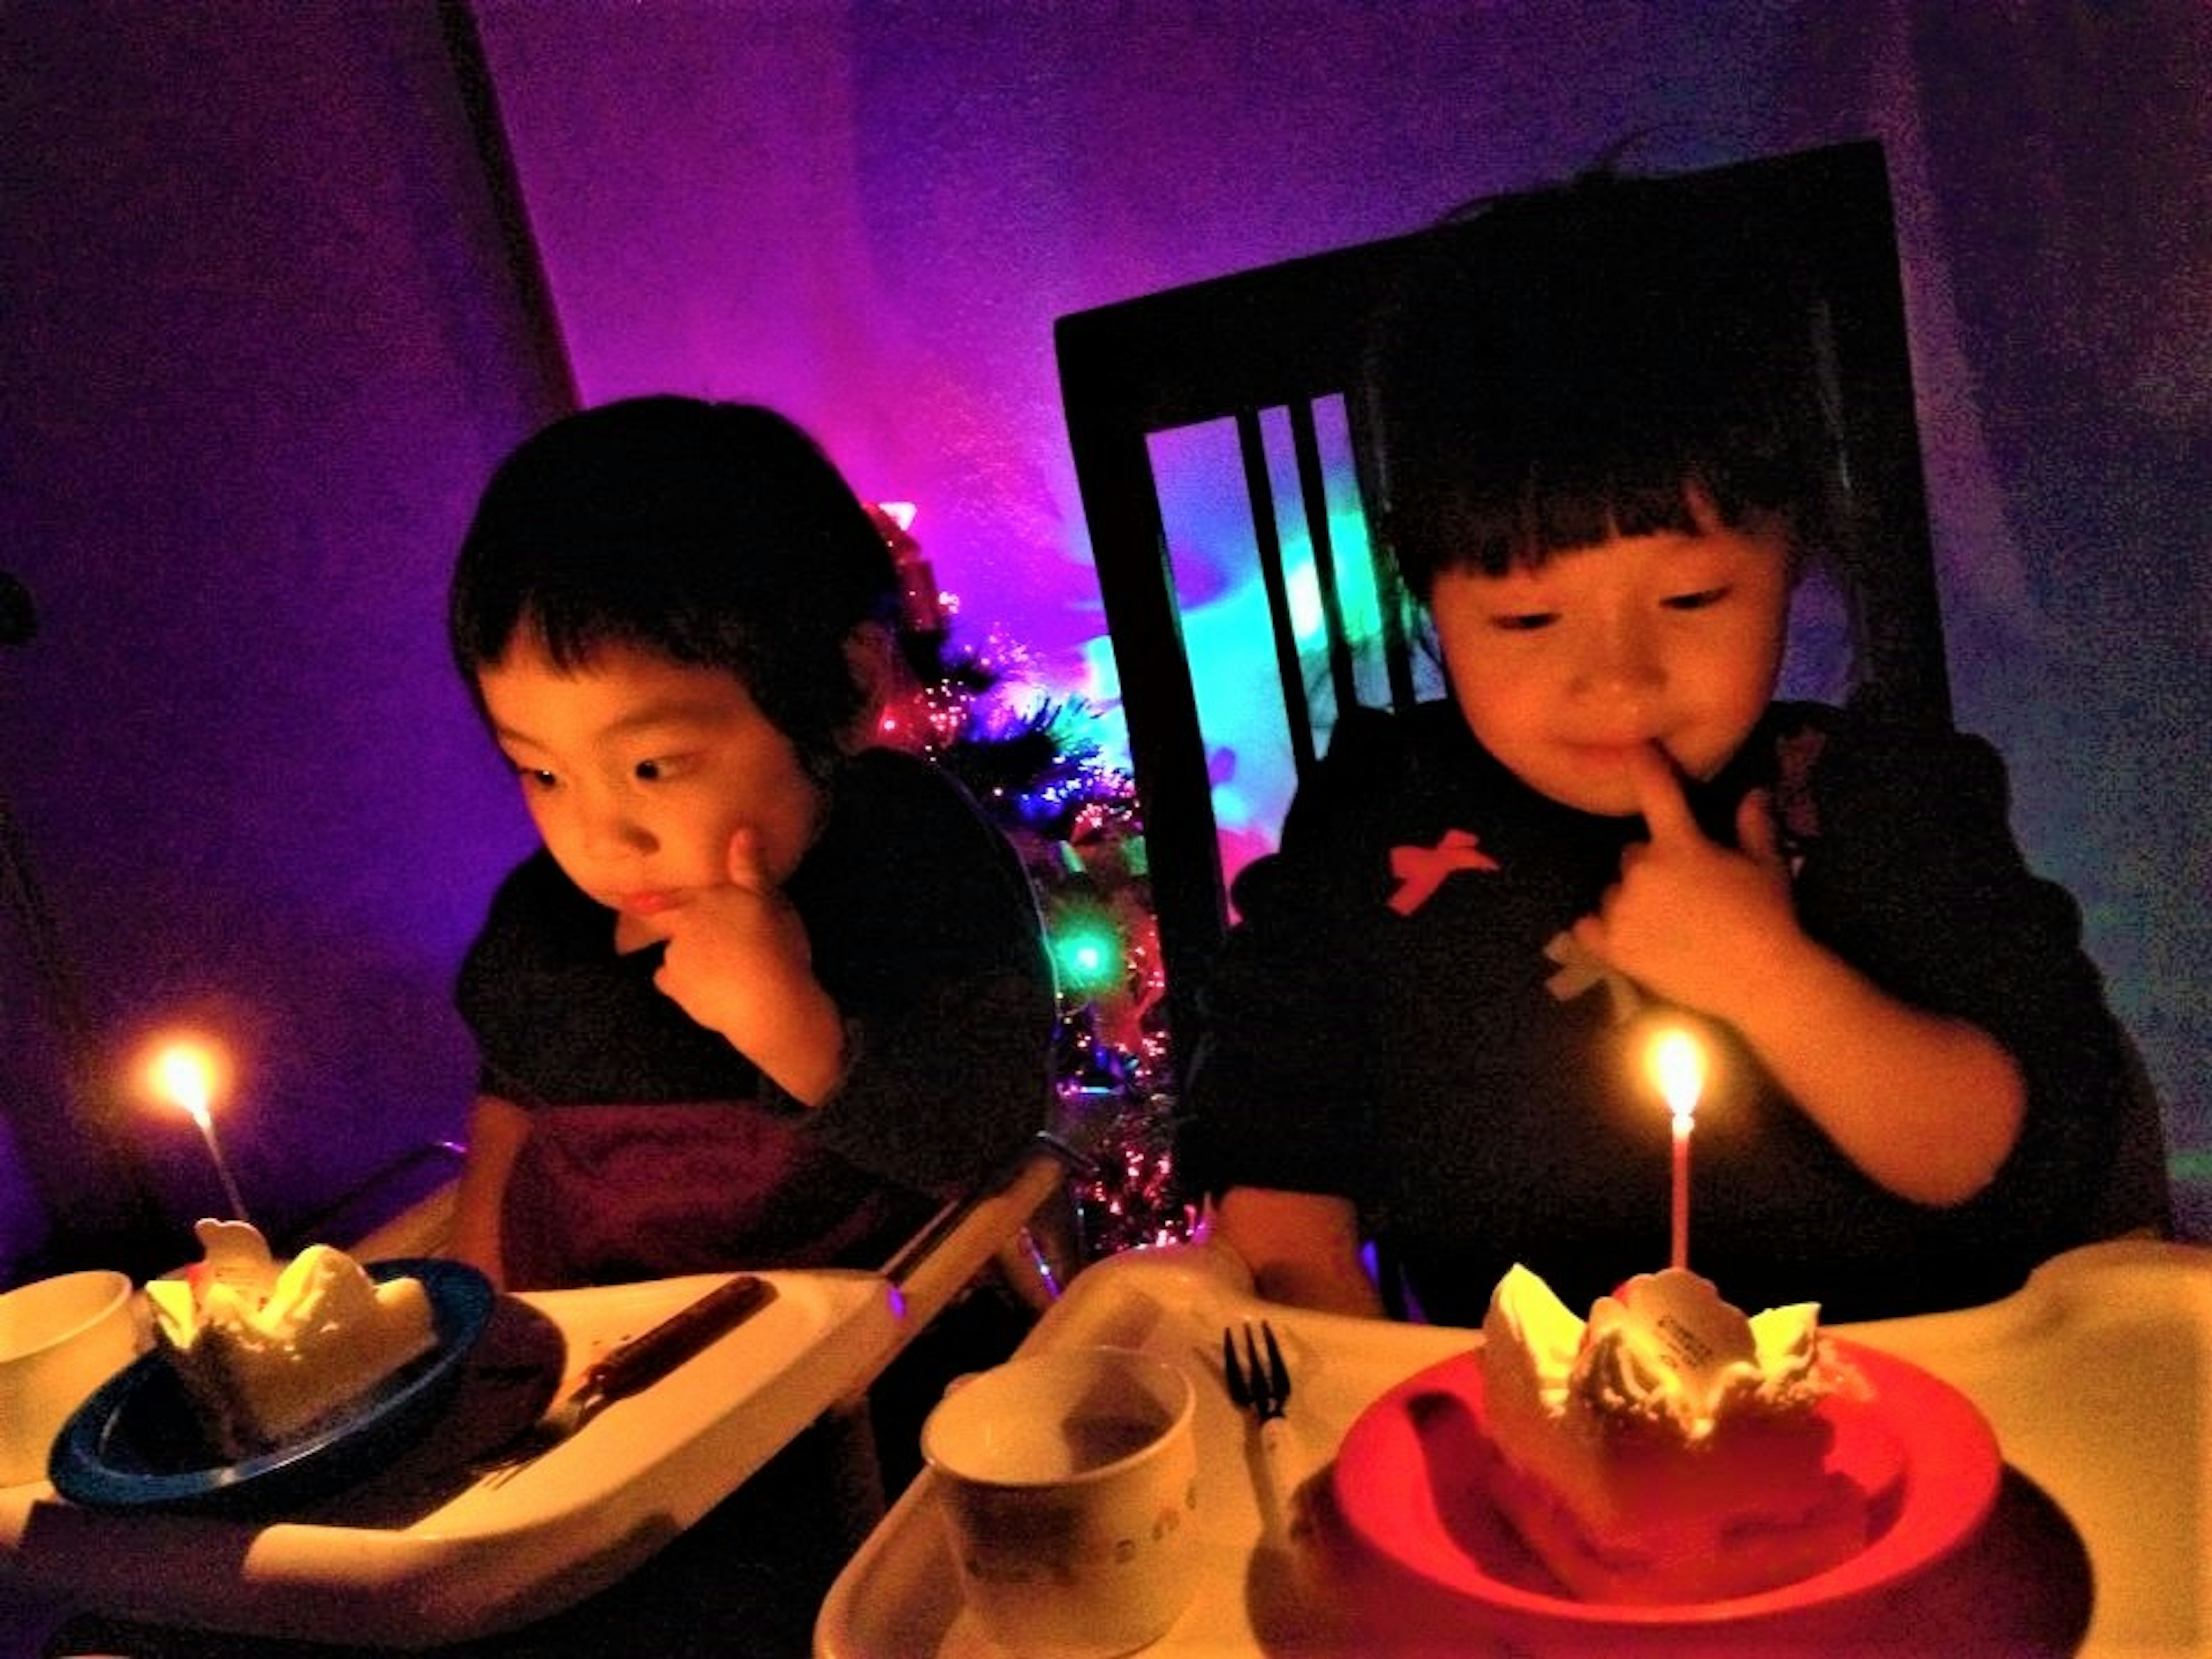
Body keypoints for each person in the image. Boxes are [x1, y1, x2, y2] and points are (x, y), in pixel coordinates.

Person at [1177, 175, 2128, 1326]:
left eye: (1691, 598)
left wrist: (1767, 976)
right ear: (1424, 592)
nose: (1618, 679)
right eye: (1528, 620)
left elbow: (2032, 1159)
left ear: (1796, 553)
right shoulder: (1372, 823)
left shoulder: (1884, 797)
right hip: (1511, 1439)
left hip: (1893, 1414)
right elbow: (1275, 1151)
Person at [444, 395, 1056, 1294]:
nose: (602, 838)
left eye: (654, 766)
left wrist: (794, 1029)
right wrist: (483, 1299)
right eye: (543, 775)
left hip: (868, 1366)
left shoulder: (913, 863)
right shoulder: (546, 922)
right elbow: (510, 1102)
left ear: (848, 687)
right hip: (599, 1378)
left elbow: (986, 1137)